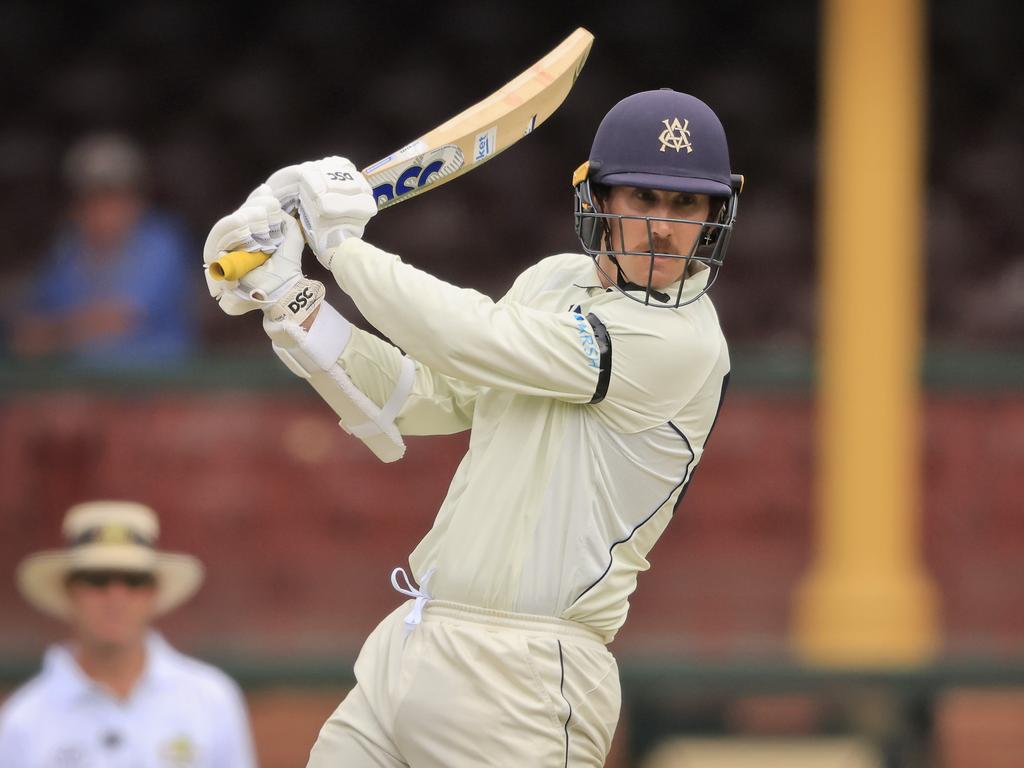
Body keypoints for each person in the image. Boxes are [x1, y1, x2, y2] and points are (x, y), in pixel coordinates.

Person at [204, 88, 742, 767]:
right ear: (598, 199)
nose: (662, 227)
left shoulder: (682, 341)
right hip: (414, 641)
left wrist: (340, 246)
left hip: (530, 678)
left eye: (685, 204)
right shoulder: (552, 283)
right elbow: (421, 397)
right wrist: (289, 300)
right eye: (643, 198)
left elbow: (470, 337)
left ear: (714, 216)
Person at [0, 500, 257, 768]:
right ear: (70, 591)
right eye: (97, 579)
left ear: (153, 593)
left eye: (134, 580)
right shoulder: (23, 722)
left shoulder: (212, 700)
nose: (116, 597)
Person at [11, 134, 196, 367]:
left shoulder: (162, 241)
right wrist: (48, 332)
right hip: (85, 389)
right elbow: (28, 330)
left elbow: (118, 320)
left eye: (113, 196)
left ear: (137, 199)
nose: (103, 209)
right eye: (92, 197)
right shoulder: (68, 247)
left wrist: (55, 334)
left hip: (157, 388)